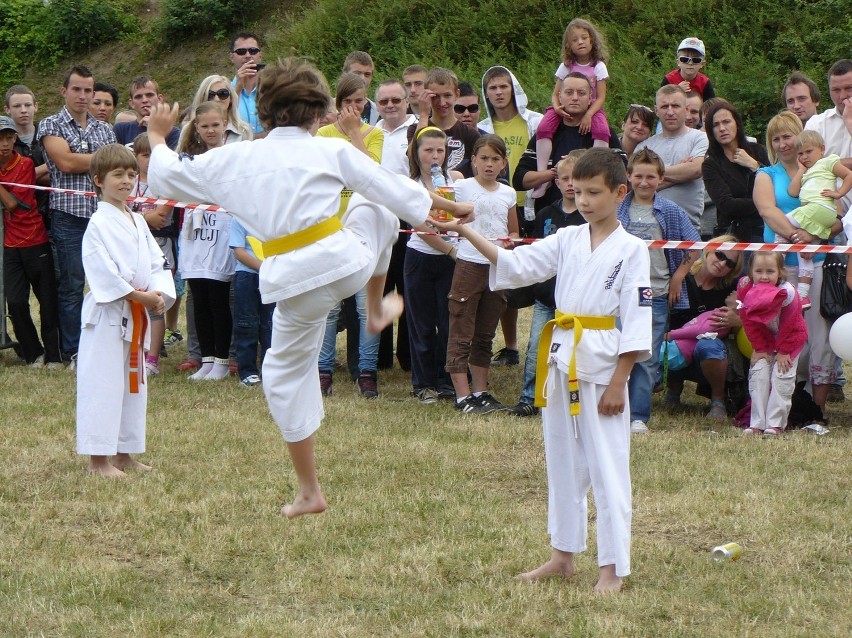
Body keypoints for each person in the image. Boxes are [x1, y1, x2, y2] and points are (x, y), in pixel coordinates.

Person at [147, 58, 472, 518]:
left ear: (261, 111)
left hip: (297, 281)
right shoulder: (329, 149)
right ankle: (375, 308)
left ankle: (309, 490)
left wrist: (159, 136)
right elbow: (391, 189)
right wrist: (445, 208)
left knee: (282, 375)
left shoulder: (236, 158)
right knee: (372, 207)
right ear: (319, 113)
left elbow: (165, 175)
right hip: (347, 261)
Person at [434, 148, 651, 593]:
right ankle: (562, 554)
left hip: (603, 361)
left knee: (609, 467)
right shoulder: (569, 238)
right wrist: (465, 231)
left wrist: (620, 380)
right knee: (562, 462)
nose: (585, 200)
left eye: (595, 192)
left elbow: (637, 316)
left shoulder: (632, 250)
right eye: (579, 191)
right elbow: (516, 264)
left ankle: (613, 568)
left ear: (620, 192)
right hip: (561, 357)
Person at [76, 143, 175, 477]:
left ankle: (123, 453)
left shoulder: (136, 219)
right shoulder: (97, 224)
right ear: (99, 180)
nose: (126, 181)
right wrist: (138, 295)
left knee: (133, 385)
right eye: (118, 174)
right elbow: (101, 271)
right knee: (102, 384)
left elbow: (156, 262)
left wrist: (157, 291)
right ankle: (97, 460)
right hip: (107, 315)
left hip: (137, 312)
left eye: (132, 174)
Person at [754, 111, 841, 413]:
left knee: (820, 336)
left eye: (787, 135)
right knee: (779, 333)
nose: (782, 143)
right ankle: (777, 403)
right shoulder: (766, 174)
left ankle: (816, 407)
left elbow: (838, 220)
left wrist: (813, 238)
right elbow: (768, 211)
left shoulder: (824, 171)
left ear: (800, 136)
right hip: (777, 268)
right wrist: (796, 236)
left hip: (817, 263)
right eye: (775, 138)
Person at [38, 65, 117, 365]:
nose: (83, 96)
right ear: (64, 91)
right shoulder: (51, 124)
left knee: (108, 284)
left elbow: (114, 168)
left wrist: (101, 161)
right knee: (72, 286)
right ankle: (74, 351)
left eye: (88, 90)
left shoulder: (104, 128)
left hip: (103, 215)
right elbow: (66, 163)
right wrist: (105, 159)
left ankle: (106, 345)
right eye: (77, 90)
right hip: (69, 216)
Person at [617, 148, 700, 433]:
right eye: (637, 175)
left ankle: (638, 415)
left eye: (650, 176)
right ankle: (615, 407)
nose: (643, 182)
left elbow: (693, 244)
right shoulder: (617, 209)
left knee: (647, 355)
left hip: (656, 293)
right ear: (628, 177)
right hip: (618, 293)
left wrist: (678, 277)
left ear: (661, 178)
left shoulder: (671, 211)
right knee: (615, 350)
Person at [317, 72, 385, 397]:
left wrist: (356, 133)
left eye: (360, 102)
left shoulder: (375, 134)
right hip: (331, 230)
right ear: (339, 102)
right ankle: (323, 371)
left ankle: (367, 371)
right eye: (349, 102)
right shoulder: (323, 135)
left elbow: (371, 174)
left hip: (364, 230)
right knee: (329, 307)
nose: (355, 108)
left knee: (364, 306)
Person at [506, 151, 587, 417]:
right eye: (565, 178)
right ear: (557, 182)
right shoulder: (545, 214)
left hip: (576, 300)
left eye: (576, 178)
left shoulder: (589, 218)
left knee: (574, 352)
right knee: (536, 349)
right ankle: (530, 397)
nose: (571, 184)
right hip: (545, 296)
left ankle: (567, 400)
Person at [445, 134, 519, 413]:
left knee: (485, 331)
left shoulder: (508, 193)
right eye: (484, 158)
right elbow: (446, 217)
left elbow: (513, 229)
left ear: (503, 163)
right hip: (468, 264)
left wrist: (511, 239)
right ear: (473, 160)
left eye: (495, 159)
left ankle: (481, 391)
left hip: (496, 266)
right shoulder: (461, 187)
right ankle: (463, 396)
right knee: (461, 327)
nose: (489, 164)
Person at [478, 65, 544, 365]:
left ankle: (538, 342)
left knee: (537, 276)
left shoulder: (536, 122)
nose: (499, 93)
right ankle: (509, 346)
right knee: (502, 272)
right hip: (498, 205)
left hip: (533, 203)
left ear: (513, 88)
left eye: (503, 86)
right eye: (492, 88)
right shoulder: (483, 128)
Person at [176, 103, 236, 381]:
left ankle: (223, 360)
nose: (210, 130)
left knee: (217, 298)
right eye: (205, 126)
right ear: (196, 128)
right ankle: (207, 360)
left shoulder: (233, 155)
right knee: (198, 295)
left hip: (222, 232)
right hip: (196, 234)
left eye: (215, 124)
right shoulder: (189, 158)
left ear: (225, 123)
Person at [404, 126, 464, 403]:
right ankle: (423, 383)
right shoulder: (411, 186)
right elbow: (420, 226)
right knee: (422, 324)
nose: (435, 155)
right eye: (428, 150)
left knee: (448, 322)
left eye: (440, 150)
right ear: (417, 153)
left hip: (451, 259)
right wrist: (450, 249)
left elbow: (464, 216)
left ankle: (446, 380)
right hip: (421, 258)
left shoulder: (457, 181)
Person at [0, 116, 61, 368]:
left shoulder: (24, 163)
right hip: (10, 245)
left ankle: (55, 354)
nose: (4, 143)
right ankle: (32, 352)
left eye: (8, 137)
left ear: (15, 138)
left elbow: (13, 203)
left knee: (46, 299)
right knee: (14, 301)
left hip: (35, 239)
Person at [513, 73, 621, 213]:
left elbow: (622, 177)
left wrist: (582, 166)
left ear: (590, 99)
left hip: (593, 218)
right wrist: (556, 172)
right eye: (569, 92)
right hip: (550, 218)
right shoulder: (546, 133)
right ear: (559, 97)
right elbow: (519, 180)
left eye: (581, 93)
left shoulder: (604, 133)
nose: (575, 98)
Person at [664, 237, 744, 420]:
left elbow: (754, 314)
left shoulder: (732, 289)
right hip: (674, 347)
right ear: (709, 250)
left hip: (708, 353)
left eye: (729, 263)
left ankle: (718, 401)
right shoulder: (680, 275)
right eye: (720, 254)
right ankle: (673, 390)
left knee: (708, 345)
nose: (722, 263)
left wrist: (739, 320)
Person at [532, 18, 611, 198]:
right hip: (564, 106)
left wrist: (589, 114)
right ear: (569, 44)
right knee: (543, 127)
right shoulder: (566, 66)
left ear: (592, 40)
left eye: (584, 38)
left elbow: (601, 97)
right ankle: (543, 176)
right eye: (575, 40)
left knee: (602, 130)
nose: (580, 42)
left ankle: (597, 172)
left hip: (591, 107)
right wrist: (557, 108)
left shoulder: (598, 66)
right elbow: (556, 94)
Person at [737, 252, 808, 435]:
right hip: (765, 338)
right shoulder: (745, 288)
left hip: (790, 340)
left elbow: (791, 324)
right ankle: (757, 423)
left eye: (770, 271)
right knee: (759, 374)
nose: (764, 276)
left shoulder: (788, 293)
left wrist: (783, 351)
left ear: (780, 272)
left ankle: (775, 424)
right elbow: (749, 320)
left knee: (781, 377)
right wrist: (760, 348)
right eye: (758, 271)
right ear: (751, 272)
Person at [375, 79, 417, 372]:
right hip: (376, 219)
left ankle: (407, 355)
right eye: (384, 101)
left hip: (407, 218)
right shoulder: (369, 133)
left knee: (407, 288)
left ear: (406, 102)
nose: (390, 106)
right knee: (379, 286)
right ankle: (378, 357)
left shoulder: (417, 130)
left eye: (396, 100)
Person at [785, 130, 852, 307]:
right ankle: (803, 293)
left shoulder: (829, 161)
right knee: (805, 251)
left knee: (783, 223)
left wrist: (839, 193)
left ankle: (776, 261)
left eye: (809, 151)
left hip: (820, 209)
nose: (804, 156)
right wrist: (801, 170)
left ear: (822, 149)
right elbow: (792, 192)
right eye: (800, 153)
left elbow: (849, 174)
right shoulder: (807, 172)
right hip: (815, 213)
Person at [130, 133, 177, 376]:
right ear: (135, 157)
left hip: (160, 247)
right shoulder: (130, 182)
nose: (149, 160)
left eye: (153, 154)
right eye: (144, 155)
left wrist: (137, 216)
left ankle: (153, 360)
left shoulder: (165, 184)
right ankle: (134, 352)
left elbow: (160, 219)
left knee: (155, 304)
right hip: (133, 248)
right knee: (134, 301)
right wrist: (142, 217)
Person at [635, 85, 708, 233]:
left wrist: (649, 175)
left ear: (685, 109)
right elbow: (635, 186)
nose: (670, 112)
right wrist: (679, 172)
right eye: (664, 106)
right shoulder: (644, 147)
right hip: (647, 230)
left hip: (687, 229)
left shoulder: (700, 138)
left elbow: (695, 169)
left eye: (675, 106)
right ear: (656, 111)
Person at [701, 99, 770, 242]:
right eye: (715, 125)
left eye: (726, 122)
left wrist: (755, 166)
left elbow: (775, 186)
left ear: (737, 123)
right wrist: (763, 203)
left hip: (767, 229)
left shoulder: (758, 151)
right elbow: (727, 205)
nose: (722, 128)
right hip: (733, 236)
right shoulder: (710, 164)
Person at [408, 67, 480, 177]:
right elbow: (411, 156)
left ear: (457, 94)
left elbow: (479, 172)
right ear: (426, 96)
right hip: (426, 190)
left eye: (447, 95)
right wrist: (423, 115)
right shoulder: (415, 128)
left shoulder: (470, 134)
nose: (442, 103)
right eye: (435, 96)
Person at [229, 219, 273, 387]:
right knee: (246, 324)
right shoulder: (239, 216)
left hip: (273, 277)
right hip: (247, 276)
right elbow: (239, 252)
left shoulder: (275, 213)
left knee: (270, 325)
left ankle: (270, 371)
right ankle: (248, 371)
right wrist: (265, 269)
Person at [113, 77, 180, 148]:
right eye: (138, 97)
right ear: (132, 103)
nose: (144, 100)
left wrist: (154, 128)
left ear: (160, 99)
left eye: (149, 95)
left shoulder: (172, 132)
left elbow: (168, 158)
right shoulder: (121, 130)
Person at [186, 75, 254, 143]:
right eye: (210, 95)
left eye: (223, 93)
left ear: (231, 98)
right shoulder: (188, 130)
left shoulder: (244, 131)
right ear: (203, 99)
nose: (216, 99)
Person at [229, 31, 265, 134]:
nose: (248, 55)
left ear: (260, 56)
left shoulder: (273, 90)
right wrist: (238, 87)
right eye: (241, 51)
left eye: (253, 51)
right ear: (232, 57)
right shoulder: (223, 92)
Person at [342, 51, 380, 125]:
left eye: (367, 74)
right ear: (345, 74)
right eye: (357, 73)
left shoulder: (379, 112)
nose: (362, 78)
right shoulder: (329, 110)